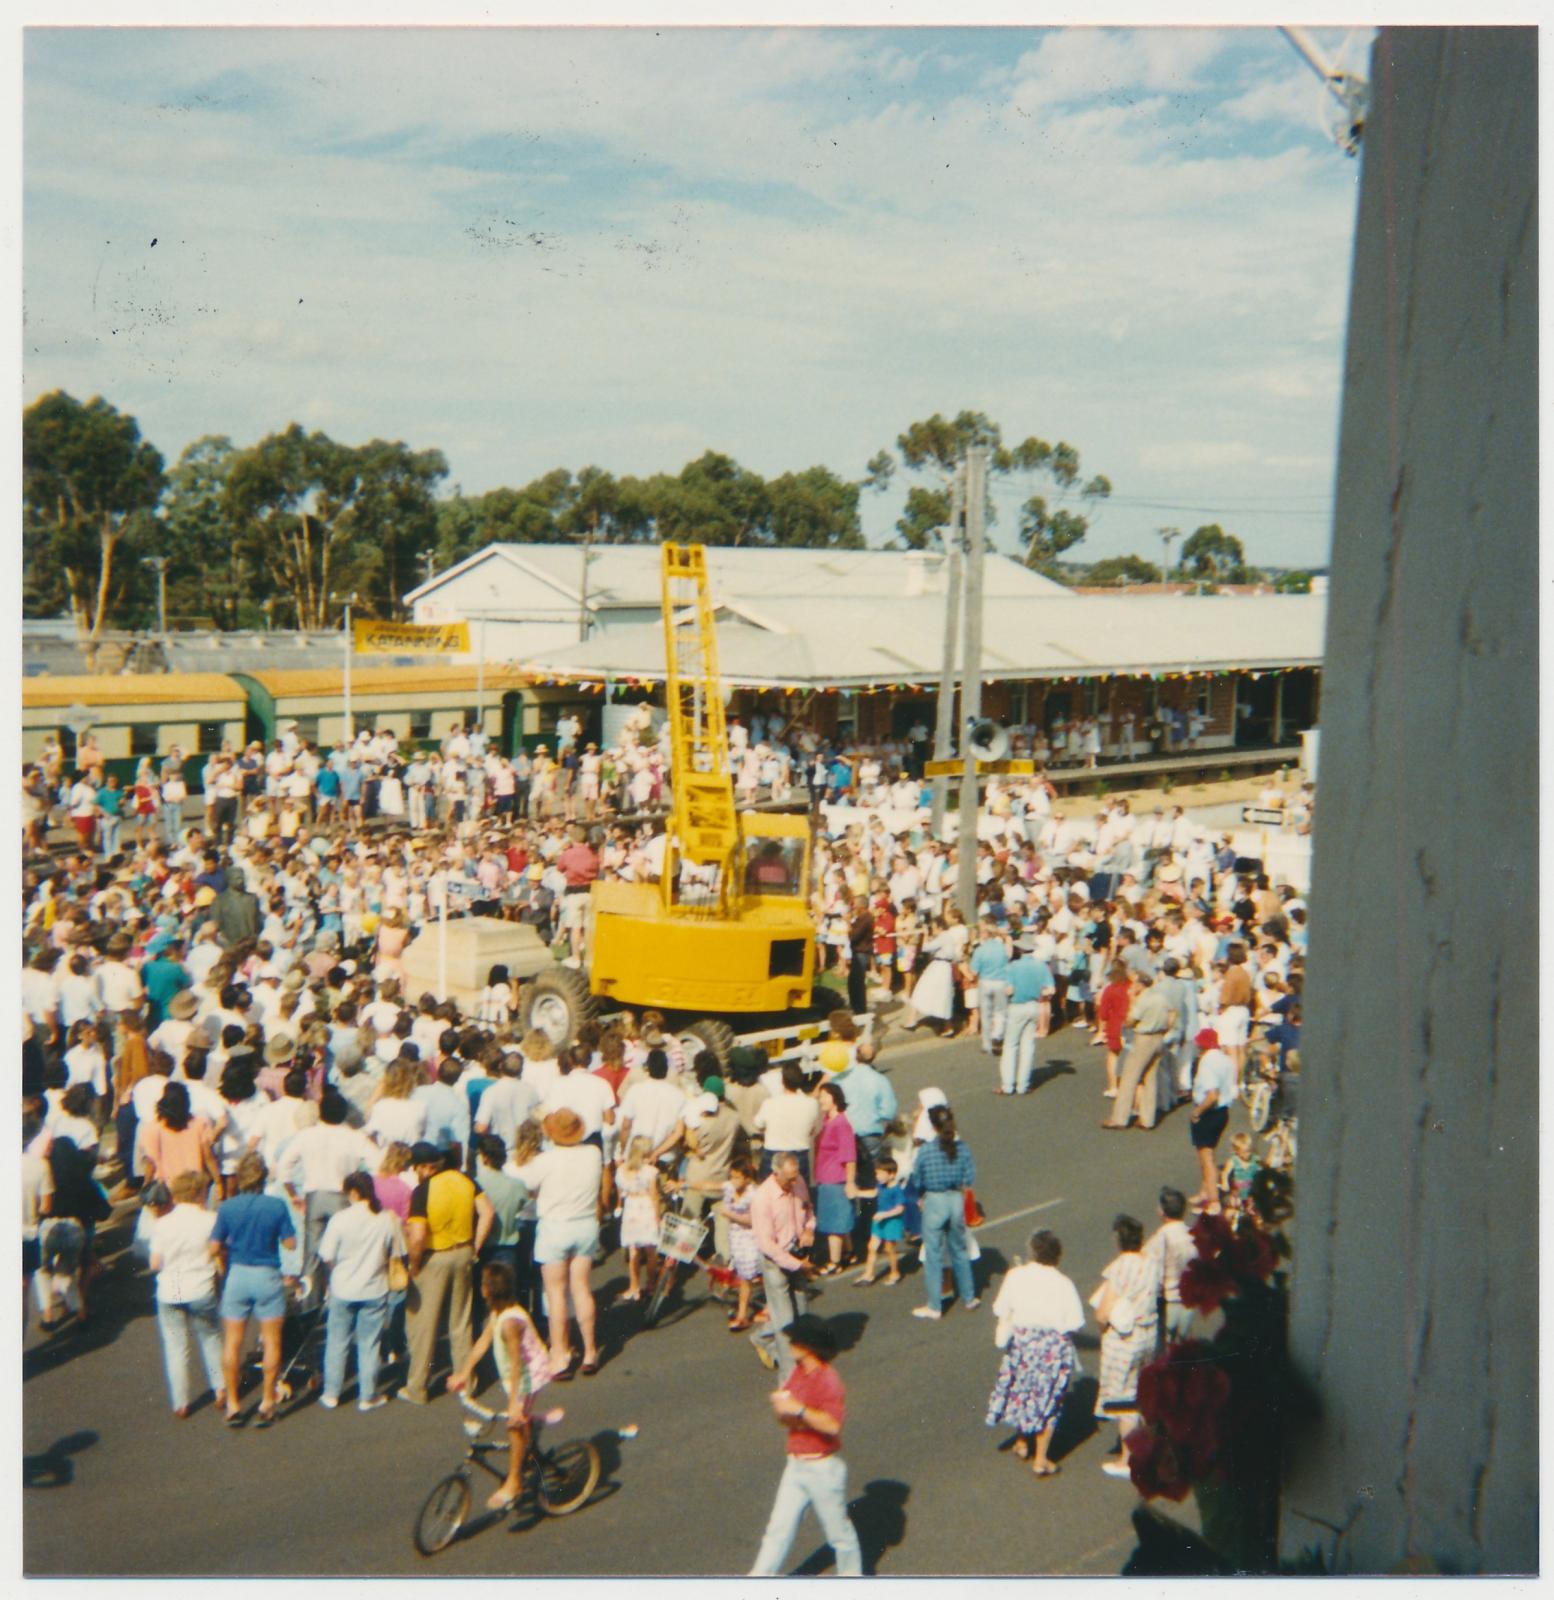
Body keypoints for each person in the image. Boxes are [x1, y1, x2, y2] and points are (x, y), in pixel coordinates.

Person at [748, 1313, 864, 1578]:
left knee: (839, 1535)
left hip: (822, 1468)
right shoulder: (798, 1373)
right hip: (796, 1465)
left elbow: (833, 1425)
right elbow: (786, 1419)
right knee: (777, 1529)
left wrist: (798, 1410)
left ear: (808, 1346)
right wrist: (782, 1410)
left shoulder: (828, 1380)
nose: (788, 1344)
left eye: (794, 1340)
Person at [448, 1262, 555, 1511]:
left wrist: (513, 1407)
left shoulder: (510, 1323)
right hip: (514, 1376)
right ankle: (528, 1432)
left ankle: (514, 1482)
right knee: (519, 1421)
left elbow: (518, 1366)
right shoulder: (497, 1312)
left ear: (487, 1290)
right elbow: (484, 1341)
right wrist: (464, 1372)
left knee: (514, 1427)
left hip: (528, 1378)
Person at [509, 1109, 605, 1379]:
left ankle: (560, 1355)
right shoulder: (593, 1154)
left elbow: (527, 1186)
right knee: (582, 1288)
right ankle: (589, 1351)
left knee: (555, 1293)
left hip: (554, 1227)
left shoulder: (544, 1161)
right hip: (585, 1224)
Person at [985, 1229, 1085, 1477]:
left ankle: (1021, 1441)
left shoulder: (1016, 1275)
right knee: (1048, 1400)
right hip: (1052, 1348)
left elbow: (1000, 1308)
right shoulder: (1064, 1284)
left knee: (1022, 1391)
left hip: (1023, 1342)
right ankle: (1040, 1458)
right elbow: (1075, 1321)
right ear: (1057, 1256)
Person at [400, 1141, 493, 1406]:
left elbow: (418, 1236)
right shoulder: (466, 1181)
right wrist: (475, 1245)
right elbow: (487, 1212)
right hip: (463, 1252)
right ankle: (467, 1382)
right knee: (461, 1321)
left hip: (434, 1257)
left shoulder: (422, 1191)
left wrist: (414, 1264)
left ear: (424, 1167)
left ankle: (417, 1387)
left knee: (424, 1324)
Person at [211, 1152, 297, 1428]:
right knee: (272, 1341)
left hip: (238, 1274)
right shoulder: (275, 1205)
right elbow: (290, 1244)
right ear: (262, 1177)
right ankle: (267, 1400)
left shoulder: (227, 1207)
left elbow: (213, 1247)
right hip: (267, 1274)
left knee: (232, 1342)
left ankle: (234, 1404)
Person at [316, 1170, 406, 1412]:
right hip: (375, 1288)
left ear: (354, 1192)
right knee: (370, 1344)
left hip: (343, 1287)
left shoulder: (340, 1219)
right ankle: (367, 1395)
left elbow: (326, 1255)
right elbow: (397, 1252)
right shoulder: (386, 1219)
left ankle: (331, 1393)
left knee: (337, 1342)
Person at [148, 1170, 226, 1418]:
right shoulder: (211, 1220)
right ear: (201, 1192)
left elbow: (154, 1263)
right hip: (200, 1285)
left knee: (175, 1346)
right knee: (210, 1338)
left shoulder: (161, 1224)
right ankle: (220, 1388)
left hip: (169, 1289)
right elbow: (218, 1253)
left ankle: (181, 1401)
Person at [1090, 1214, 1161, 1477]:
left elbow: (1102, 1312)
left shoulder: (1118, 1267)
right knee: (1140, 1392)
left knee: (1123, 1400)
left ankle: (1127, 1460)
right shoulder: (1151, 1263)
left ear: (1119, 1240)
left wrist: (1103, 1331)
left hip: (1125, 1339)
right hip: (1148, 1334)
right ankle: (1144, 1449)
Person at [749, 1152, 816, 1380]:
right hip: (776, 1262)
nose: (794, 1183)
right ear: (775, 1173)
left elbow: (808, 1210)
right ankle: (789, 1381)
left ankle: (762, 1337)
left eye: (796, 1177)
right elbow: (766, 1244)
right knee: (786, 1324)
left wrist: (808, 1229)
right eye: (789, 1179)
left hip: (798, 1255)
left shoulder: (799, 1183)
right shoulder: (762, 1198)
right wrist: (797, 1265)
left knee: (803, 1315)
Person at [910, 1105, 979, 1321]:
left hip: (935, 1201)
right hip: (955, 1199)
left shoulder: (926, 1150)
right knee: (959, 1250)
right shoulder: (963, 1148)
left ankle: (934, 1305)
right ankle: (969, 1297)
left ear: (932, 1125)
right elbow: (969, 1177)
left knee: (934, 1255)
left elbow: (917, 1178)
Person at [1103, 970, 1177, 1132]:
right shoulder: (1161, 997)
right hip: (1158, 1038)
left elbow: (1129, 1021)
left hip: (1143, 1037)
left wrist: (1131, 1000)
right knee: (1150, 1077)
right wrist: (1166, 1028)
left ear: (1140, 985)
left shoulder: (1143, 1000)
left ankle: (1119, 1118)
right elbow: (1173, 1013)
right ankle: (1147, 1119)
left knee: (1130, 1077)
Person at [999, 937, 1057, 1097]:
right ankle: (1023, 1085)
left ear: (1020, 950)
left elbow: (1008, 990)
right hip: (1034, 1006)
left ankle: (1008, 1085)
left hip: (1016, 1006)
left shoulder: (1013, 967)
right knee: (1028, 1046)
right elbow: (1050, 990)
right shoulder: (1041, 967)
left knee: (1010, 1045)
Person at [811, 1082, 858, 1275]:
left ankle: (835, 1262)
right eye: (820, 1095)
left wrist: (849, 1182)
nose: (820, 1099)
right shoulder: (826, 1120)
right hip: (825, 1177)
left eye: (825, 1096)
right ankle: (850, 1251)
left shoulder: (841, 1124)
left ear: (835, 1099)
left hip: (835, 1180)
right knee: (841, 1220)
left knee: (833, 1224)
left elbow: (850, 1157)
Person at [1188, 1027, 1236, 1213]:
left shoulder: (1207, 1062)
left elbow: (1211, 1095)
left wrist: (1197, 1111)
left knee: (1206, 1157)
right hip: (1223, 1112)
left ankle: (1213, 1200)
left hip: (1208, 1112)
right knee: (1208, 1153)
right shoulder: (1225, 1059)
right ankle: (1204, 1191)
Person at [1144, 1187, 1197, 1343]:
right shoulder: (1192, 1234)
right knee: (1183, 1344)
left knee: (1165, 1344)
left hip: (1168, 1300)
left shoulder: (1161, 1237)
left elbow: (1153, 1269)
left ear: (1162, 1212)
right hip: (1188, 1299)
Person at [615, 1136, 661, 1303]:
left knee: (633, 1250)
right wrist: (658, 1216)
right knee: (650, 1251)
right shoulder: (650, 1172)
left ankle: (634, 1286)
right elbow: (654, 1196)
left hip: (631, 1208)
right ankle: (651, 1284)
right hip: (646, 1207)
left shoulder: (621, 1170)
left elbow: (621, 1192)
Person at [851, 1155, 906, 1286]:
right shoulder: (881, 1186)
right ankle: (868, 1274)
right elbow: (873, 1193)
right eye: (877, 1173)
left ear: (891, 1174)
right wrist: (858, 1193)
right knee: (872, 1247)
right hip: (879, 1220)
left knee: (889, 1249)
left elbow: (900, 1209)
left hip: (891, 1222)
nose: (877, 1176)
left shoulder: (896, 1190)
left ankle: (894, 1272)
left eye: (881, 1173)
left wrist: (885, 1215)